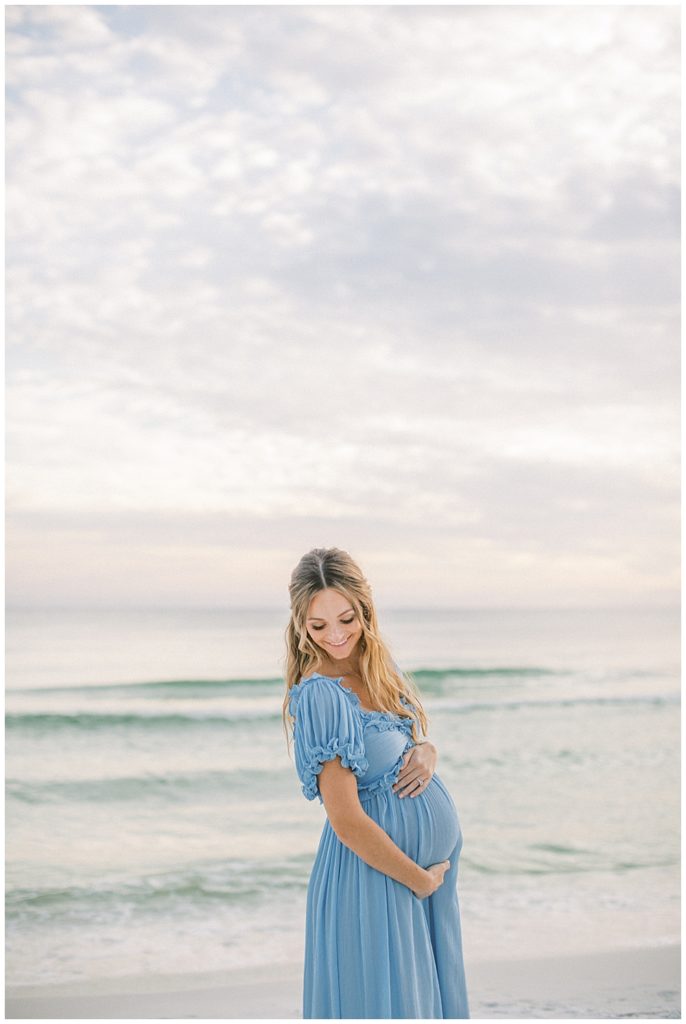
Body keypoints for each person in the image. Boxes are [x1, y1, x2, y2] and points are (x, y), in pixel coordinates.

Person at [282, 547, 470, 1019]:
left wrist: (428, 751)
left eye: (346, 618)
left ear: (365, 610)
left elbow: (402, 741)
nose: (336, 635)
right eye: (318, 625)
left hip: (414, 879)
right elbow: (345, 820)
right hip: (375, 878)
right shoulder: (322, 695)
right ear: (301, 626)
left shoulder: (380, 673)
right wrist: (419, 879)